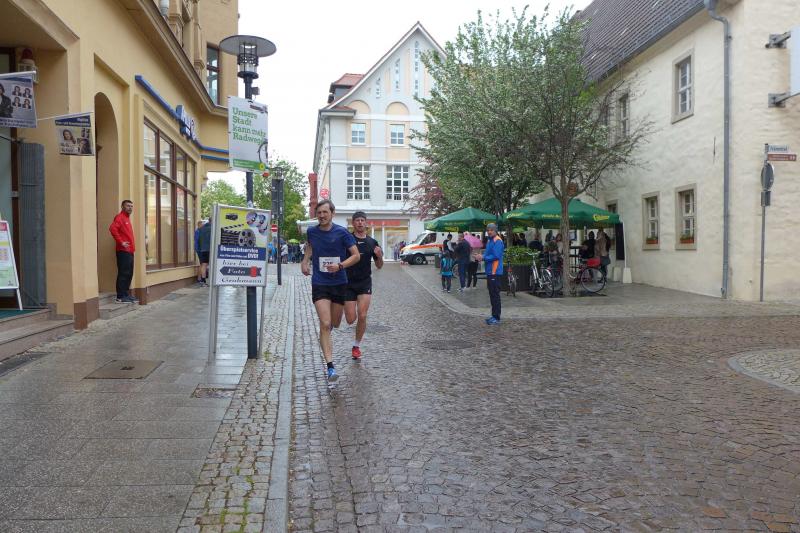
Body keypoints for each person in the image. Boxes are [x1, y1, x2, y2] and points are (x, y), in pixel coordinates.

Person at [301, 200, 360, 382]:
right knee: (325, 323)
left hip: (339, 282)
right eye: (319, 212)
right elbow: (310, 246)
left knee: (335, 322)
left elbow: (356, 256)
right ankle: (330, 367)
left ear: (332, 213)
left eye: (325, 212)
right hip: (320, 282)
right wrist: (305, 261)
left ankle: (326, 331)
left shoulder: (342, 233)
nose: (322, 215)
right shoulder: (312, 231)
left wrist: (340, 265)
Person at [343, 211, 383, 360]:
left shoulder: (372, 242)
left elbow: (379, 266)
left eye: (362, 220)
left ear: (366, 223)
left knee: (363, 314)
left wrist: (379, 256)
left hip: (364, 282)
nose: (360, 222)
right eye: (357, 220)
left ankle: (356, 346)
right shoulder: (347, 240)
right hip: (348, 283)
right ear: (353, 223)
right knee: (350, 319)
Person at [109, 200, 137, 303]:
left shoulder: (127, 218)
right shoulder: (120, 217)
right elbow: (112, 229)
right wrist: (121, 242)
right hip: (123, 251)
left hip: (129, 251)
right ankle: (120, 296)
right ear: (122, 206)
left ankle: (126, 294)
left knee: (129, 273)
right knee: (124, 273)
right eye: (128, 206)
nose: (130, 208)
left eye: (131, 206)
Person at [476, 223, 504, 325]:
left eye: (491, 230)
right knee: (492, 295)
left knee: (495, 295)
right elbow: (488, 254)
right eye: (488, 230)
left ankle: (496, 318)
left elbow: (496, 256)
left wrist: (483, 257)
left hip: (495, 272)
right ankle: (494, 316)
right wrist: (480, 256)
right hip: (490, 271)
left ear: (495, 230)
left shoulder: (497, 241)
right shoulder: (490, 240)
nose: (489, 231)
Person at [197, 218, 212, 285]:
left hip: (203, 249)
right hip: (210, 249)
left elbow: (198, 240)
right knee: (212, 265)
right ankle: (212, 281)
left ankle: (203, 280)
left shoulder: (201, 229)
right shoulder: (213, 228)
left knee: (204, 264)